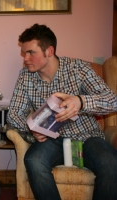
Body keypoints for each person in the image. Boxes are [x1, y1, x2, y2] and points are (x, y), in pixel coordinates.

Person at [7, 23, 117, 200]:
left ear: (49, 51)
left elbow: (112, 101)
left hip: (87, 136)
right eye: (24, 53)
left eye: (31, 53)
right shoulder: (25, 76)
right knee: (33, 161)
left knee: (111, 162)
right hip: (52, 140)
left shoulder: (78, 68)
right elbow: (13, 114)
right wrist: (31, 129)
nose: (25, 58)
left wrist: (81, 101)